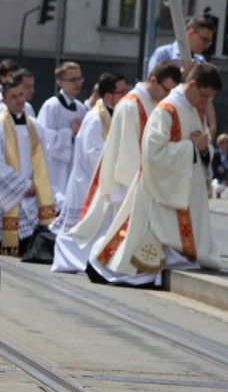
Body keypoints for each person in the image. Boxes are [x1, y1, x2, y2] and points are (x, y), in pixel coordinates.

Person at [86, 63, 223, 286]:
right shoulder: (166, 109)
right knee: (145, 242)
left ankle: (178, 256)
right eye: (204, 96)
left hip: (185, 186)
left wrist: (204, 147)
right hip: (160, 187)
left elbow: (203, 143)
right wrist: (190, 147)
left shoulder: (196, 108)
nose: (205, 103)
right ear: (193, 84)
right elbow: (153, 153)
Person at [67, 62, 181, 277]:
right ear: (154, 81)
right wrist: (137, 184)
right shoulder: (131, 105)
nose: (167, 95)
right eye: (166, 89)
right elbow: (128, 153)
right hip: (129, 183)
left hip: (144, 181)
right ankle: (107, 265)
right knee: (119, 232)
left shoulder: (152, 103)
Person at [50, 71, 130, 273]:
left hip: (104, 184)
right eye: (122, 92)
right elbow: (93, 155)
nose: (127, 95)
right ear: (109, 96)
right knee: (86, 232)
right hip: (88, 185)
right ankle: (72, 259)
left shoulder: (114, 115)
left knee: (98, 230)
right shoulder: (95, 118)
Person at [0, 73, 56, 256]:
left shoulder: (36, 126)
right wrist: (22, 186)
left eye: (21, 95)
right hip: (7, 195)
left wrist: (38, 184)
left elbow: (45, 159)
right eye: (13, 96)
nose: (19, 100)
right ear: (4, 100)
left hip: (32, 192)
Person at [147, 15, 218, 138]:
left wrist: (212, 126)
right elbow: (153, 88)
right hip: (164, 122)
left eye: (209, 42)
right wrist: (182, 75)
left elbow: (206, 98)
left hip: (190, 124)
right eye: (204, 40)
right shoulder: (163, 54)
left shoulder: (201, 62)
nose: (206, 45)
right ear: (190, 33)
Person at [38, 61, 89, 213]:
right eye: (73, 79)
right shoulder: (51, 106)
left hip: (74, 167)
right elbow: (45, 142)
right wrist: (69, 132)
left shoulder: (81, 108)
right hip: (55, 170)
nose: (78, 83)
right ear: (60, 82)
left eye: (80, 78)